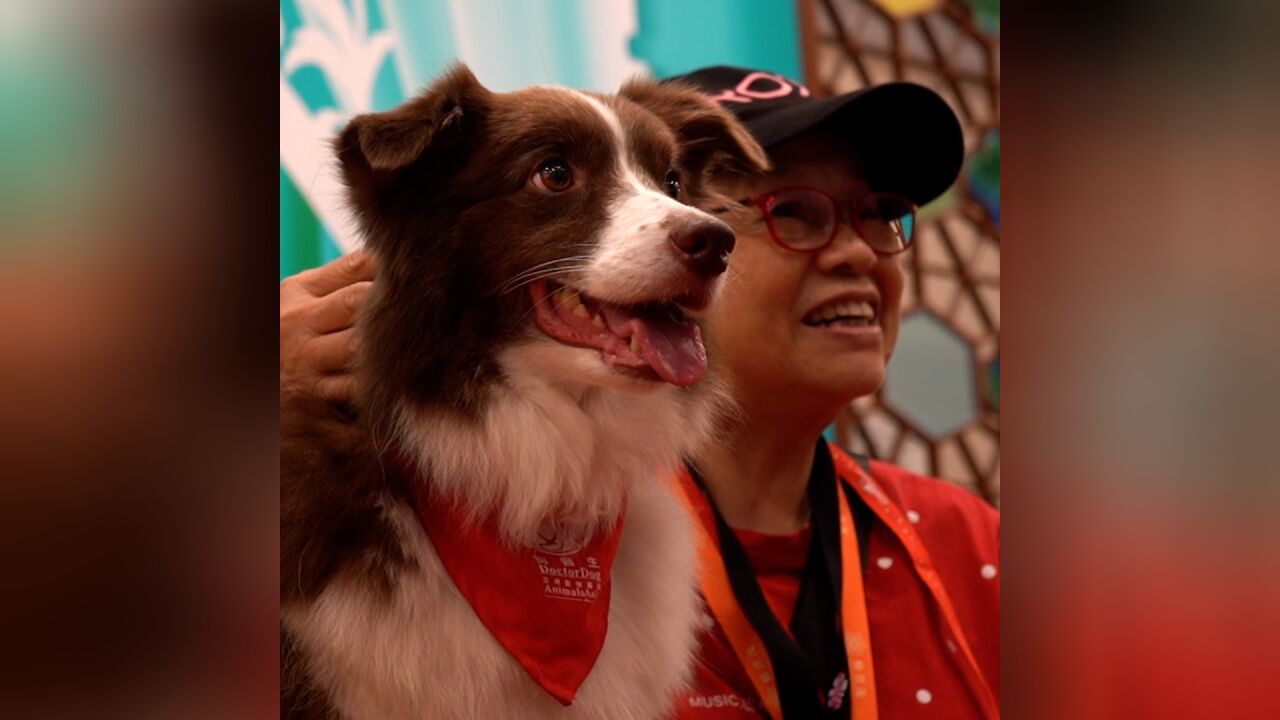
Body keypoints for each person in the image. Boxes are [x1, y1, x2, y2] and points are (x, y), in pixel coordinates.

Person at [280, 66, 999, 719]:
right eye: (796, 212)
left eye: (878, 212)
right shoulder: (323, 523)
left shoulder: (967, 543)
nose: (854, 250)